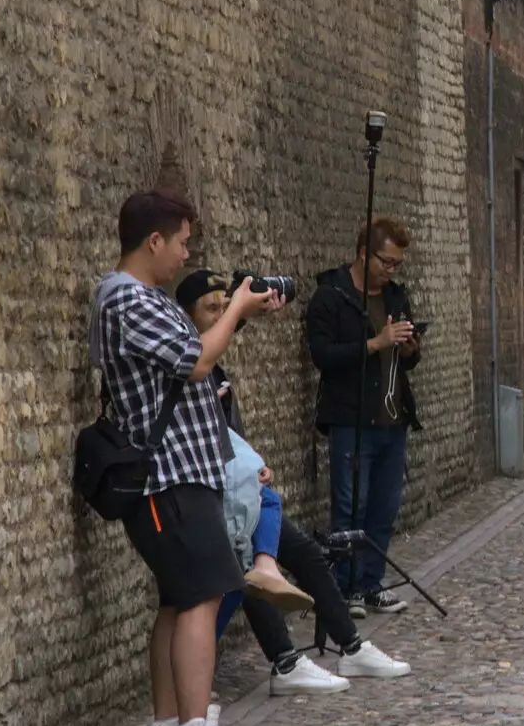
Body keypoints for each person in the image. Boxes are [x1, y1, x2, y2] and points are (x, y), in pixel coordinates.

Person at [91, 189, 280, 726]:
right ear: (154, 241)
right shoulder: (128, 300)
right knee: (204, 593)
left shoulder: (142, 299)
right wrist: (235, 312)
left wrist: (238, 316)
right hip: (167, 477)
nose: (186, 254)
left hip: (180, 473)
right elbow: (196, 361)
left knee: (178, 600)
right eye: (182, 242)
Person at [177, 271, 413, 694]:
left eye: (222, 306)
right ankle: (284, 662)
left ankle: (352, 648)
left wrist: (251, 463)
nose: (221, 315)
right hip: (204, 490)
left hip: (238, 484)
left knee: (303, 553)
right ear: (187, 318)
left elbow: (226, 425)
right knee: (244, 570)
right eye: (209, 309)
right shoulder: (185, 364)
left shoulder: (213, 358)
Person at [306, 219, 423, 616]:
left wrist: (408, 348)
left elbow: (410, 360)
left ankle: (371, 583)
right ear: (363, 253)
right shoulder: (332, 296)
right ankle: (344, 588)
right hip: (351, 419)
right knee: (349, 507)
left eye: (397, 264)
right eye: (386, 262)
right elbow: (323, 355)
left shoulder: (395, 297)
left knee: (383, 508)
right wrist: (376, 342)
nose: (391, 270)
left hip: (393, 418)